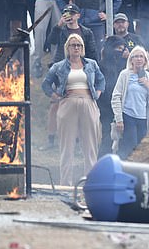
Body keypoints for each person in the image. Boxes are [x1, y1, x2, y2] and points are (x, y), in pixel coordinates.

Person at [41, 33, 105, 186]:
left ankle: (90, 182)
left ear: (82, 48)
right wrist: (55, 96)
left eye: (79, 45)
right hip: (68, 103)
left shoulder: (91, 64)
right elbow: (46, 84)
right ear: (67, 48)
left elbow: (101, 80)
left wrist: (98, 92)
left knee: (90, 145)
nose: (76, 48)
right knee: (66, 146)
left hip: (88, 102)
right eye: (73, 45)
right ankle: (65, 183)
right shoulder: (59, 66)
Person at [43, 4, 98, 151]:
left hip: (81, 71)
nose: (69, 16)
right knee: (54, 104)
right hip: (60, 70)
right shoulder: (61, 30)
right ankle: (51, 140)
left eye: (72, 13)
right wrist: (58, 25)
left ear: (78, 16)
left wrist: (92, 70)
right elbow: (51, 42)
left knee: (80, 106)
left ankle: (79, 142)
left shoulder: (86, 32)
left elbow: (92, 53)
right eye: (66, 13)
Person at [111, 46, 149, 158]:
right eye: (136, 56)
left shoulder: (148, 76)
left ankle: (138, 174)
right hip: (128, 116)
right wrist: (119, 119)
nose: (139, 59)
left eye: (141, 57)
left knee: (141, 150)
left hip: (143, 118)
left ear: (145, 60)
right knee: (130, 148)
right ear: (131, 60)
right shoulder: (125, 75)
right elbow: (116, 97)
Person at [97, 36, 129, 157]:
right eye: (118, 48)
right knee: (107, 137)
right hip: (106, 107)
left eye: (123, 48)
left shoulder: (127, 65)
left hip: (124, 106)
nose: (121, 51)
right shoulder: (102, 66)